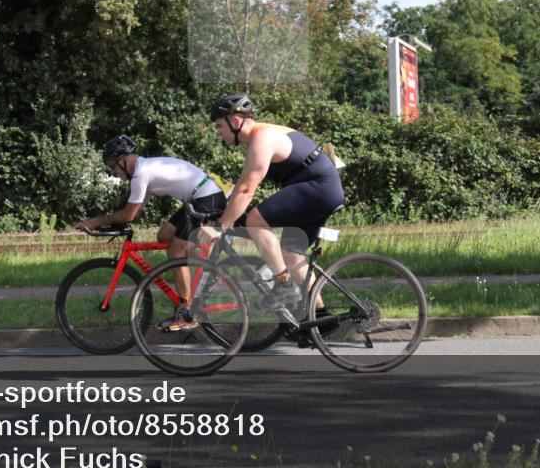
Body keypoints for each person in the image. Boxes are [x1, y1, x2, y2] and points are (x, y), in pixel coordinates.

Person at [197, 93, 344, 330]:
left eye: (219, 125)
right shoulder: (261, 136)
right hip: (320, 188)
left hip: (319, 187)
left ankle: (283, 285)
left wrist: (222, 226)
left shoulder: (262, 139)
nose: (218, 131)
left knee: (255, 220)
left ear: (236, 121)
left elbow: (246, 190)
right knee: (291, 254)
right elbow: (242, 186)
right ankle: (320, 317)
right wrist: (224, 213)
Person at [75, 135, 227, 331]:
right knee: (164, 236)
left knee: (176, 252)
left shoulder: (140, 174)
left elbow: (128, 214)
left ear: (124, 159)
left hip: (207, 198)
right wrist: (108, 224)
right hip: (200, 197)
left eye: (113, 165)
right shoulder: (143, 170)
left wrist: (95, 222)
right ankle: (205, 272)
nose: (114, 171)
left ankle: (185, 310)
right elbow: (135, 213)